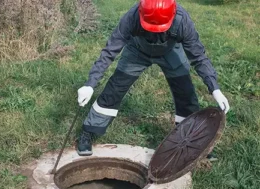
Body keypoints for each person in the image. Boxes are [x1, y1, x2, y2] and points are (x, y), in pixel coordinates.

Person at [76, 0, 230, 157]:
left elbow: (198, 56)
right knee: (115, 88)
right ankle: (89, 131)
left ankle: (193, 140)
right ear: (141, 14)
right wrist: (90, 84)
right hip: (137, 51)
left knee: (186, 94)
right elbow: (110, 50)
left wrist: (214, 88)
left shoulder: (183, 21)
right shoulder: (131, 17)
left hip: (170, 52)